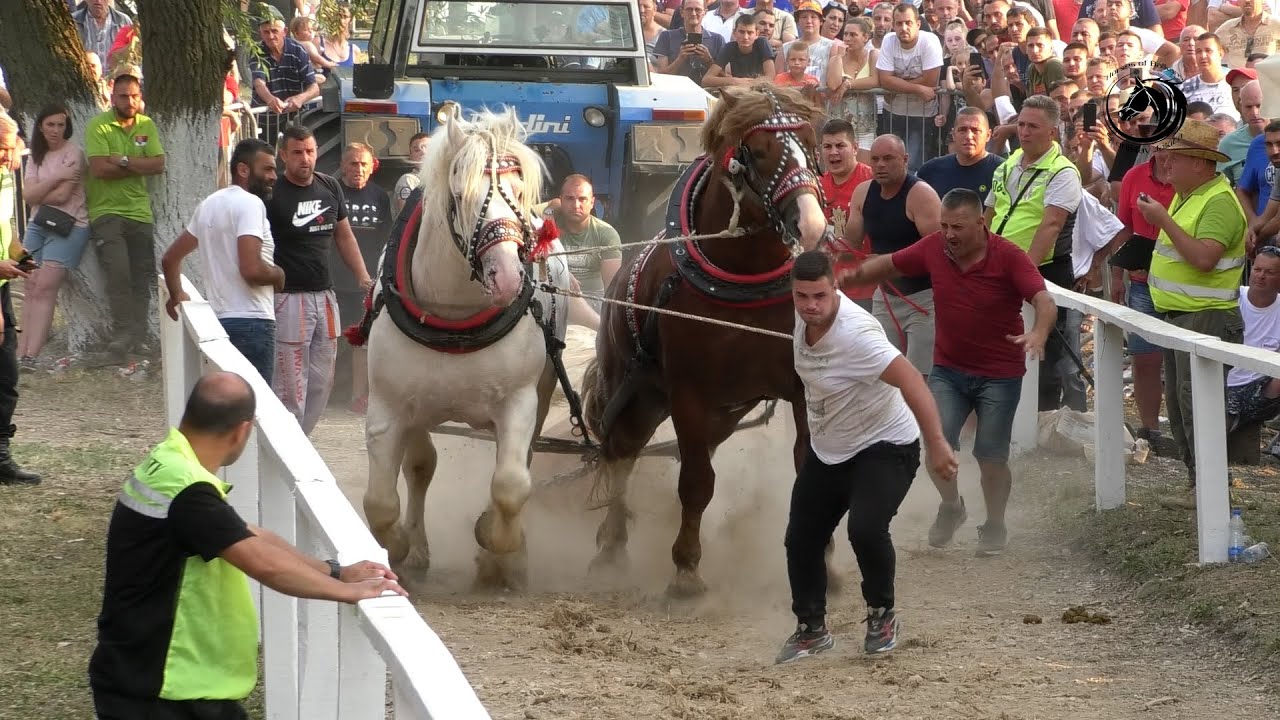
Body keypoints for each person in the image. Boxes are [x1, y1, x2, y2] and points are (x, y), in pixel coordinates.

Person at [88, 372, 405, 719]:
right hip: (162, 688)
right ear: (243, 429)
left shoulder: (170, 463)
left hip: (152, 675)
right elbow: (263, 564)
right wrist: (349, 592)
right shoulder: (188, 492)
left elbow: (247, 534)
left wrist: (336, 571)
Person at [842, 189, 1058, 556]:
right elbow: (890, 264)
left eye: (957, 227)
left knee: (991, 456)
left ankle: (994, 523)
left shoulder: (1009, 257)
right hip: (948, 369)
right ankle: (952, 505)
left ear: (981, 222)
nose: (950, 235)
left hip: (999, 374)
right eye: (943, 226)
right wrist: (845, 278)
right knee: (936, 440)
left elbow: (1043, 300)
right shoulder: (934, 248)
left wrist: (1038, 332)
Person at [776, 249, 958, 665]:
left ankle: (881, 615)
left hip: (886, 445)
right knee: (801, 538)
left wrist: (937, 443)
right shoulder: (801, 323)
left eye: (819, 295)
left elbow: (912, 380)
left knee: (865, 528)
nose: (810, 306)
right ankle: (811, 630)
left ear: (835, 285)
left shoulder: (858, 335)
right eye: (801, 296)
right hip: (830, 449)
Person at [1140, 119, 1247, 486]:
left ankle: (1211, 489)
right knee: (1181, 404)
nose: (1165, 163)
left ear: (1200, 163)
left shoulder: (1218, 202)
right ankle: (1197, 485)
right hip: (1182, 319)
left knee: (1196, 407)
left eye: (1174, 157)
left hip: (1206, 320)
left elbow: (1204, 259)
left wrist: (1163, 222)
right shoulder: (1191, 196)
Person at [267, 126, 373, 435]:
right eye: (297, 152)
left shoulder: (329, 187)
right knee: (290, 383)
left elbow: (344, 235)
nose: (305, 158)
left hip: (325, 297)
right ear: (284, 155)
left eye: (310, 151)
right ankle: (285, 446)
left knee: (322, 380)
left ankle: (300, 440)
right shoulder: (272, 194)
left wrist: (363, 277)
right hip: (288, 297)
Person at [984, 95, 1084, 412]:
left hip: (1043, 271)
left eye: (1033, 127)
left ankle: (1042, 419)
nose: (1024, 132)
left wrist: (1020, 273)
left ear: (1052, 132)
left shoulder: (1062, 172)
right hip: (998, 266)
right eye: (1021, 125)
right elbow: (989, 214)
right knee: (998, 343)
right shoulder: (1010, 162)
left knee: (1046, 352)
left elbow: (1051, 226)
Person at [161, 139, 285, 384]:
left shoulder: (208, 205)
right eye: (268, 169)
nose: (274, 176)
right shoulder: (251, 203)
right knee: (253, 411)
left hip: (218, 324)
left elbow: (170, 259)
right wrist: (279, 275)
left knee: (223, 410)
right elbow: (251, 270)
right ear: (243, 170)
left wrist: (177, 296)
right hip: (253, 323)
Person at [842, 134, 941, 375]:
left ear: (905, 159)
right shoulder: (863, 192)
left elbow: (939, 252)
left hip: (924, 299)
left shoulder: (921, 195)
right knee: (883, 373)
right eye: (875, 159)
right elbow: (849, 243)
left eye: (888, 158)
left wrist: (887, 263)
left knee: (921, 376)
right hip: (885, 297)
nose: (880, 165)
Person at [85, 73, 166, 360]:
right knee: (118, 274)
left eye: (134, 95)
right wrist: (137, 165)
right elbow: (98, 170)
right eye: (123, 96)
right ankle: (122, 335)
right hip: (107, 212)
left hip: (140, 212)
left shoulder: (146, 124)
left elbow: (157, 164)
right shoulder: (99, 126)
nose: (129, 101)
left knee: (142, 276)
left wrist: (121, 160)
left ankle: (140, 335)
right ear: (112, 97)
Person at [17, 104, 90, 370]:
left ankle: (31, 356)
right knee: (29, 284)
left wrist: (39, 192)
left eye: (61, 125)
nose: (56, 130)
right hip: (38, 223)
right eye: (50, 125)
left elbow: (62, 197)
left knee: (45, 287)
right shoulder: (37, 155)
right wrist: (59, 175)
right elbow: (27, 196)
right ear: (40, 126)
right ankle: (18, 350)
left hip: (69, 225)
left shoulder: (74, 153)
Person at [328, 143, 391, 414]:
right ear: (343, 166)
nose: (359, 169)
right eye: (353, 163)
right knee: (328, 340)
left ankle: (358, 397)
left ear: (372, 166)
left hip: (363, 282)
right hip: (332, 279)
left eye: (364, 164)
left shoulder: (379, 196)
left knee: (360, 342)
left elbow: (385, 237)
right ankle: (324, 393)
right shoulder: (332, 192)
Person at [0, 112, 40, 486]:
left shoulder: (5, 182)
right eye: (1, 149)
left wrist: (21, 255)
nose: (8, 158)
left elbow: (7, 232)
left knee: (6, 377)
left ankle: (1, 457)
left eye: (10, 149)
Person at [1226, 247, 1280, 453]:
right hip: (1224, 381)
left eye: (1270, 272)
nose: (1261, 276)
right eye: (1258, 269)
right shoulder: (1231, 298)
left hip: (1260, 386)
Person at [393, 132, 429, 217]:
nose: (423, 153)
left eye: (428, 148)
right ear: (411, 156)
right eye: (417, 150)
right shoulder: (408, 180)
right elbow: (407, 215)